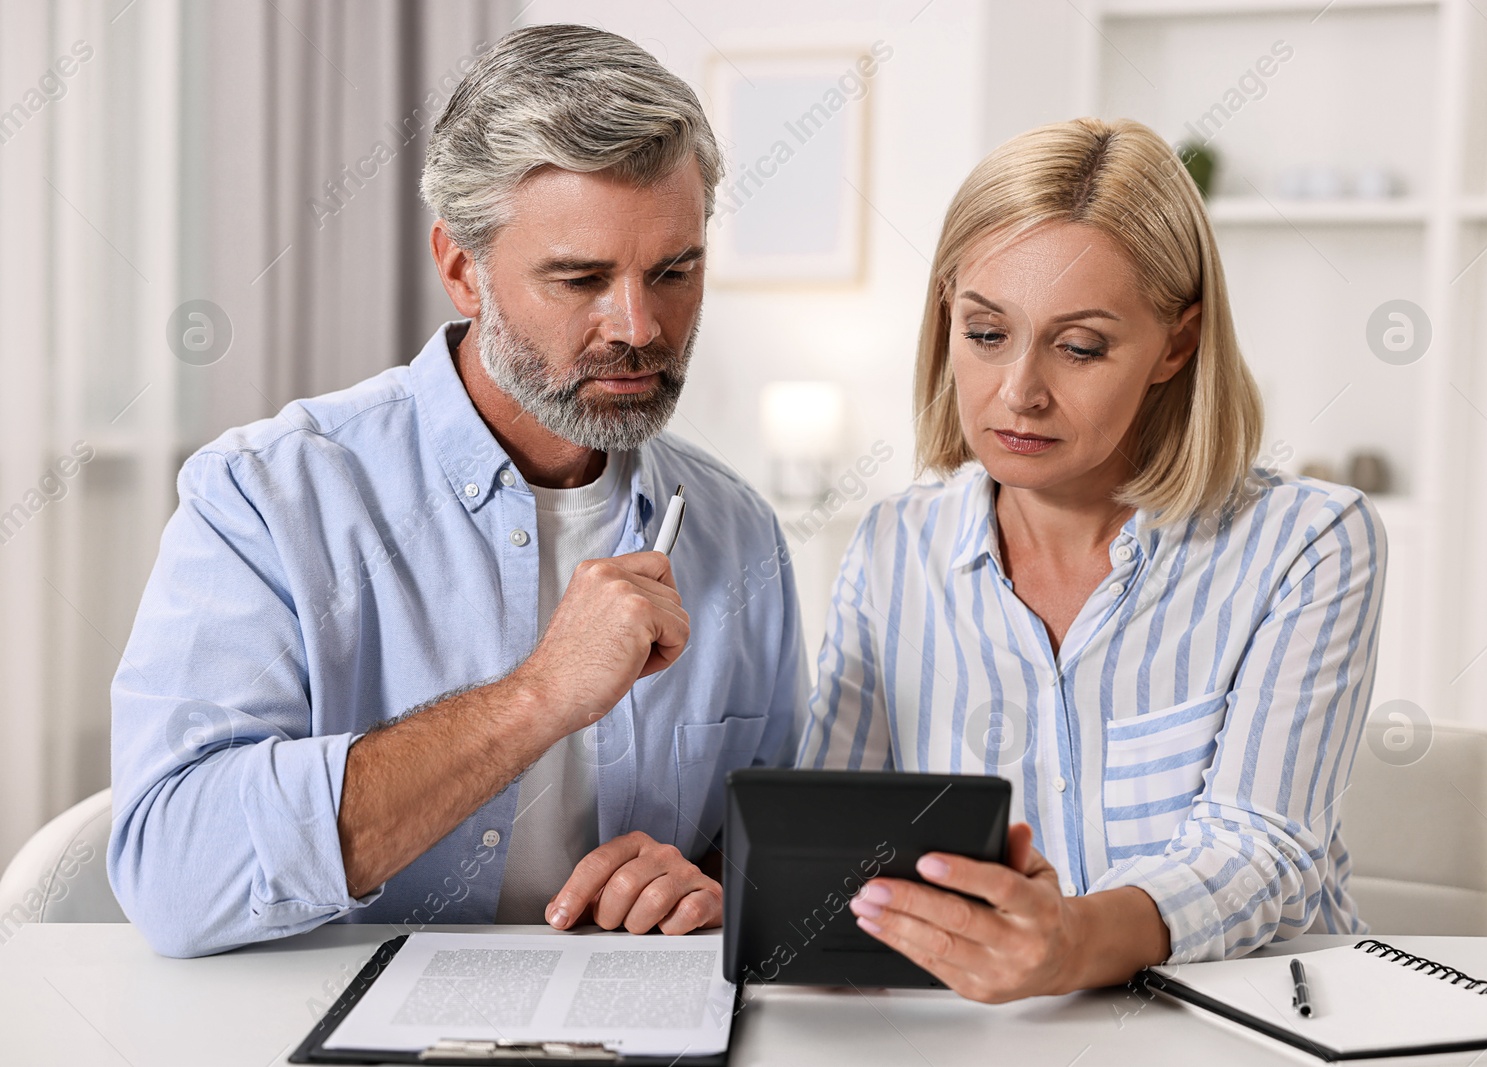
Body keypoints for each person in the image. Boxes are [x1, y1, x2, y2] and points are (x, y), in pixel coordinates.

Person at [108, 24, 804, 958]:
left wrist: (715, 891)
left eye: (675, 271)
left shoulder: (739, 533)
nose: (640, 326)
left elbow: (776, 856)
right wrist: (537, 697)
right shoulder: (268, 498)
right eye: (581, 277)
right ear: (460, 269)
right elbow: (174, 877)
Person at [798, 118, 1386, 1002]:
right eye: (986, 333)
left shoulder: (1306, 540)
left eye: (1079, 347)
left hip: (1257, 1022)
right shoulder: (892, 547)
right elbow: (826, 840)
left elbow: (1264, 846)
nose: (1018, 392)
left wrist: (1072, 941)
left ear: (1176, 345)